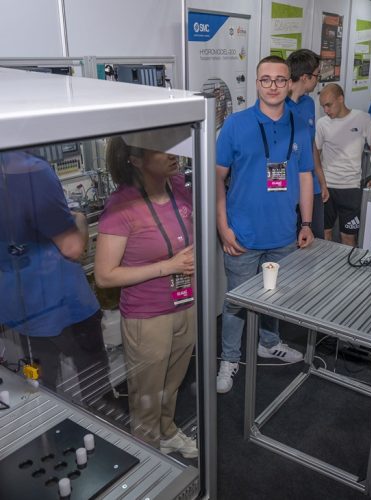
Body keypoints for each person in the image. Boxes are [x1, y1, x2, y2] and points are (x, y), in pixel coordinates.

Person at [216, 55, 314, 394]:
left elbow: (305, 176)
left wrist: (306, 223)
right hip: (241, 234)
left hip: (283, 234)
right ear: (257, 83)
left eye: (280, 80)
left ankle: (268, 342)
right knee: (236, 302)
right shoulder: (235, 125)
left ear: (289, 83)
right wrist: (223, 227)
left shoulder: (301, 124)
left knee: (273, 296)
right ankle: (229, 358)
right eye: (266, 80)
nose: (273, 86)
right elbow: (216, 179)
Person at [94, 137, 197, 458]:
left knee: (172, 382)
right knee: (147, 395)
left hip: (185, 302)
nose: (173, 154)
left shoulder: (177, 186)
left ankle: (167, 431)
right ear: (136, 160)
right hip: (148, 315)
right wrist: (168, 266)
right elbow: (105, 275)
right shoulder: (121, 206)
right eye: (162, 148)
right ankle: (147, 455)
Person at [0, 150, 108, 399]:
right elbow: (73, 247)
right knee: (95, 388)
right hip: (64, 306)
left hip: (21, 311)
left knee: (40, 390)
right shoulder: (31, 169)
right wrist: (79, 219)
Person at [316, 83, 371, 245]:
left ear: (341, 99)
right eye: (323, 107)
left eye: (329, 105)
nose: (326, 110)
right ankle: (326, 262)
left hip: (351, 188)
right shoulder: (322, 124)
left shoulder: (363, 118)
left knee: (348, 237)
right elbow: (316, 153)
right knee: (325, 233)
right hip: (327, 188)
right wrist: (321, 182)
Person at [286, 49, 329, 238]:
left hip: (311, 186)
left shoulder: (309, 103)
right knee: (289, 243)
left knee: (314, 239)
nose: (318, 80)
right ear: (305, 77)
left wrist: (321, 180)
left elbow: (311, 145)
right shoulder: (278, 106)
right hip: (288, 188)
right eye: (317, 75)